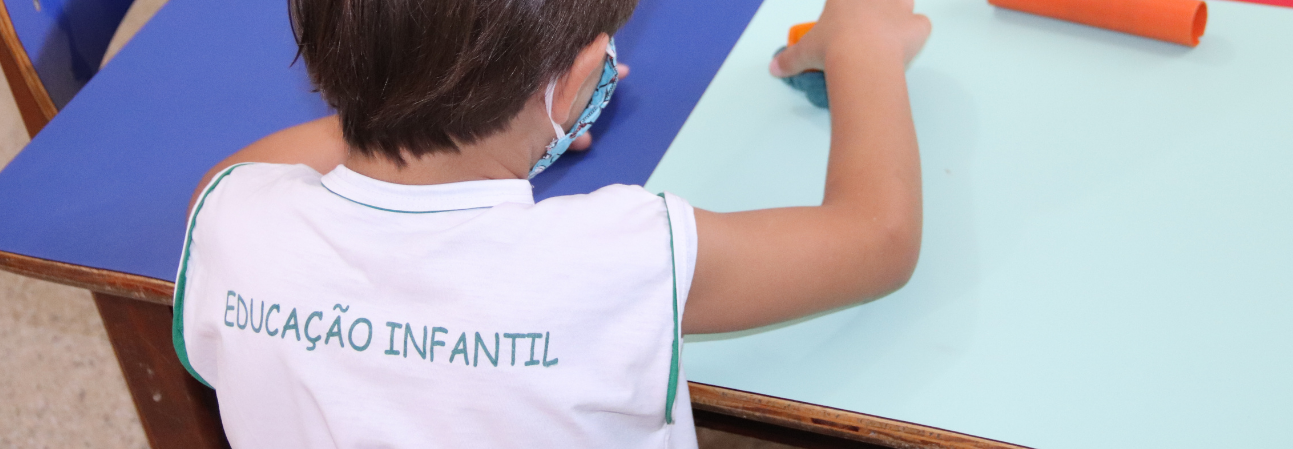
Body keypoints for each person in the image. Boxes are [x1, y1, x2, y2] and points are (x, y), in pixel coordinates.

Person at [172, 0, 931, 446]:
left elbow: (228, 177)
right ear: (571, 86)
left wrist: (432, 114)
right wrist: (862, 42)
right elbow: (878, 238)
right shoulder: (613, 259)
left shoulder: (234, 225)